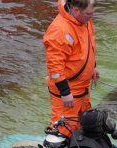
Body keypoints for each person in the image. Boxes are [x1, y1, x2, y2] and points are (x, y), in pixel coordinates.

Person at [43, 0, 99, 137]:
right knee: (63, 132)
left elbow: (87, 45)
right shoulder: (59, 30)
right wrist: (65, 91)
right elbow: (55, 67)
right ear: (75, 10)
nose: (91, 17)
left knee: (83, 127)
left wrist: (93, 67)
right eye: (88, 14)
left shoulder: (84, 20)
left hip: (82, 89)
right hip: (68, 93)